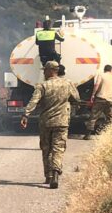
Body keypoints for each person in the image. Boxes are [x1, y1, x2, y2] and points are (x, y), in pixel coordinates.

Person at [20, 61, 80, 189]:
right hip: (62, 122)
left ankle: (48, 176)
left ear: (50, 70)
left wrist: (26, 115)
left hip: (46, 122)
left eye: (45, 70)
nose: (44, 72)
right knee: (58, 148)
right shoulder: (68, 83)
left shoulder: (42, 86)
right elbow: (76, 98)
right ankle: (56, 171)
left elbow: (34, 101)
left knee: (46, 149)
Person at [84, 65, 112, 140]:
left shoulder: (101, 75)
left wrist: (92, 95)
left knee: (93, 116)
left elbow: (97, 85)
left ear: (104, 69)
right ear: (110, 70)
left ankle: (88, 135)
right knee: (111, 118)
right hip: (110, 100)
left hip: (100, 99)